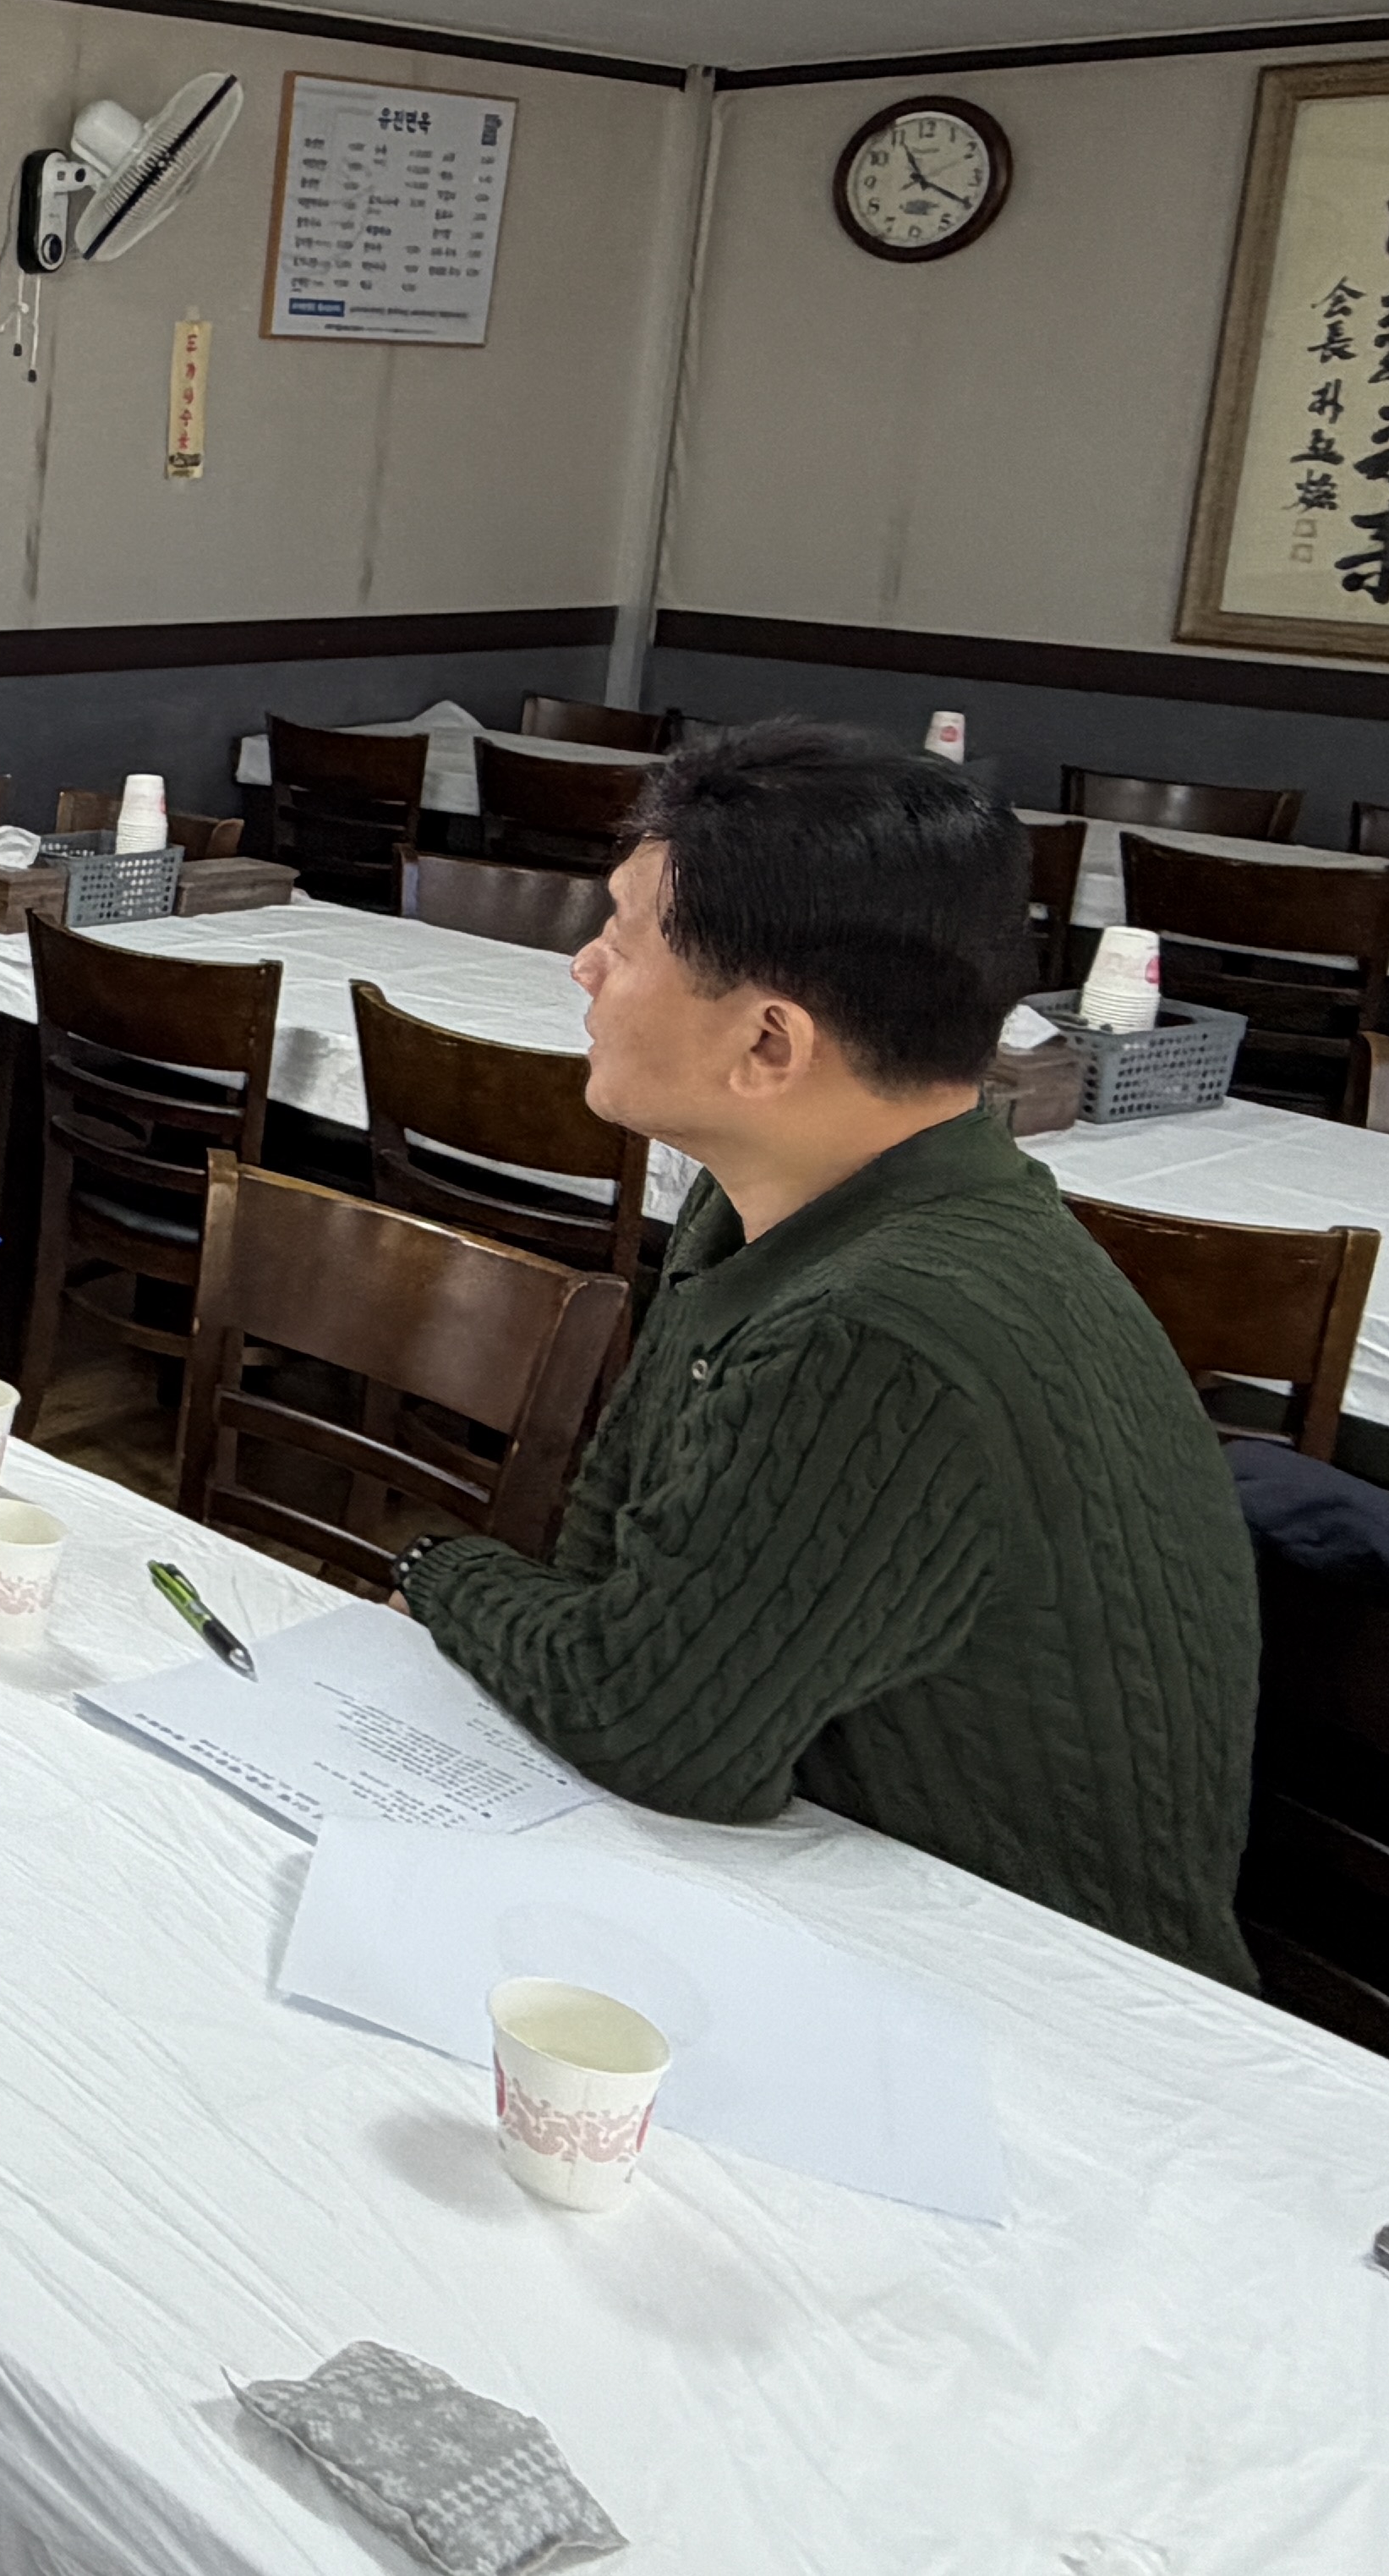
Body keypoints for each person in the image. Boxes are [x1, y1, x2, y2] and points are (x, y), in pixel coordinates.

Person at [402, 720, 1260, 1989]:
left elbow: (646, 1723)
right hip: (821, 1878)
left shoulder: (886, 1326)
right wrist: (576, 1631)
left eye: (624, 942)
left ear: (770, 1045)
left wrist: (439, 1571)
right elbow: (608, 1552)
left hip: (1022, 1993)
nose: (584, 966)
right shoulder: (779, 1197)